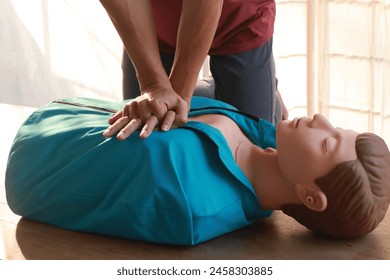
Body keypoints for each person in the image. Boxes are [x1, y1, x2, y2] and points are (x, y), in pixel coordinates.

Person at [6, 97, 390, 245]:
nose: (322, 119)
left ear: (310, 196)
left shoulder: (193, 202)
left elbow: (67, 187)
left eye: (328, 143)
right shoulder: (257, 131)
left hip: (31, 157)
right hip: (58, 114)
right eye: (336, 128)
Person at [99, 0, 280, 138]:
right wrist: (153, 84)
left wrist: (177, 99)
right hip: (155, 19)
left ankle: (265, 87)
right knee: (144, 133)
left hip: (240, 15)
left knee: (252, 136)